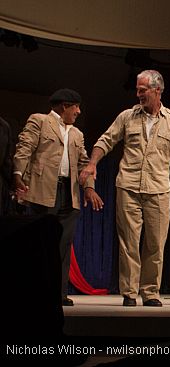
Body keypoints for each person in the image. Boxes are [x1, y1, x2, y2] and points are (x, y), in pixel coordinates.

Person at [79, 70, 170, 307]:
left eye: (142, 90)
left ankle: (150, 292)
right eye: (137, 89)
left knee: (156, 243)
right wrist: (92, 163)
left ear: (157, 90)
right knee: (129, 241)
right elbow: (106, 140)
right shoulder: (127, 117)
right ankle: (129, 292)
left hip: (159, 189)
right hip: (128, 186)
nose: (138, 94)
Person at [13, 88, 104, 306]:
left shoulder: (77, 134)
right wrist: (17, 174)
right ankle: (36, 290)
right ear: (65, 106)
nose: (79, 112)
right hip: (44, 190)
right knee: (42, 242)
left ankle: (59, 293)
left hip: (69, 193)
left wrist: (89, 188)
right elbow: (25, 147)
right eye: (76, 107)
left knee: (64, 243)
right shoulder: (40, 121)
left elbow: (84, 164)